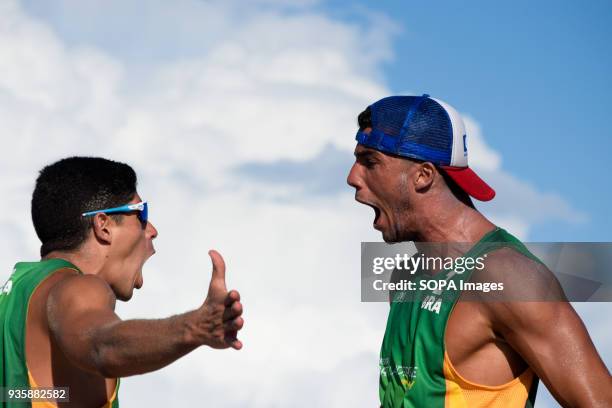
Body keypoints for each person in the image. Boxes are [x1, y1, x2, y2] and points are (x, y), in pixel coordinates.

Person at [347, 94, 612, 407]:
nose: (352, 177)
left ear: (424, 175)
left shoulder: (511, 279)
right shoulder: (405, 276)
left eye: (370, 162)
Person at [0, 157, 244, 407]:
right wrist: (196, 327)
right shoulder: (79, 288)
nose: (152, 229)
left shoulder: (16, 294)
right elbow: (102, 346)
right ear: (103, 225)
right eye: (141, 214)